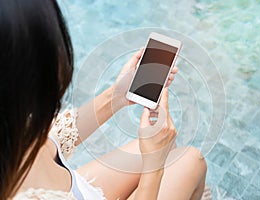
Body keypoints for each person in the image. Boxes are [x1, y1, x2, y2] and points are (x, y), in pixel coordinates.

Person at [0, 0, 207, 199]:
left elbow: (51, 140)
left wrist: (116, 96)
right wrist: (154, 169)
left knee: (165, 149)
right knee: (191, 161)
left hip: (74, 189)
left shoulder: (10, 127)